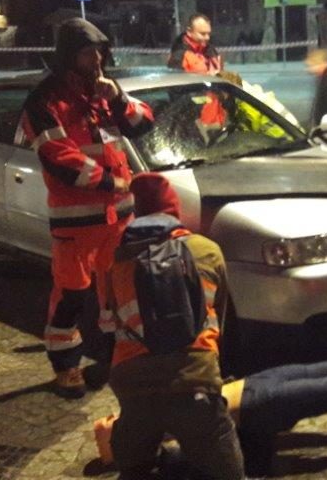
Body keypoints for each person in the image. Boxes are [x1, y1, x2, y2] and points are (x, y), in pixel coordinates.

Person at [22, 18, 154, 398]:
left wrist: (118, 97)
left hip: (118, 219)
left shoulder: (104, 91)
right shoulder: (44, 102)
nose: (96, 59)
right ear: (68, 56)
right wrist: (112, 183)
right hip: (76, 224)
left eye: (100, 51)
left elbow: (143, 122)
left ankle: (114, 359)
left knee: (116, 295)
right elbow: (60, 159)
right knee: (71, 295)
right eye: (86, 52)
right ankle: (66, 366)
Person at [92, 356, 327, 476]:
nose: (109, 418)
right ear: (116, 452)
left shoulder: (147, 421)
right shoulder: (160, 453)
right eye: (106, 428)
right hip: (263, 404)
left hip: (255, 383)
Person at [97, 172, 244, 480]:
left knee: (135, 470)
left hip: (132, 387)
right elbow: (220, 318)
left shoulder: (115, 263)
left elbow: (109, 325)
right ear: (174, 211)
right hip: (195, 381)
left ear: (137, 214)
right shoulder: (206, 250)